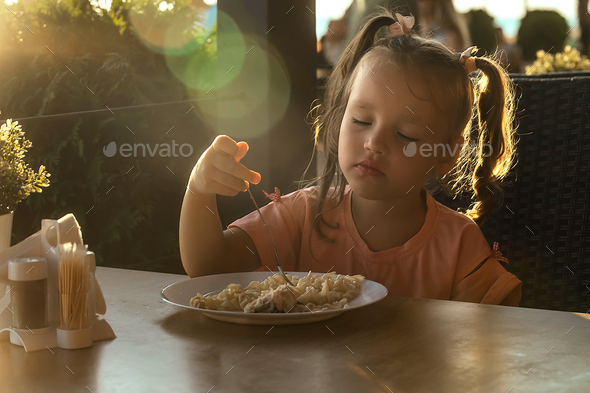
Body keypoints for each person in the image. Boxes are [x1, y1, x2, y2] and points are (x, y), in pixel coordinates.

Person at [179, 9, 522, 306]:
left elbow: (493, 332)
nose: (374, 143)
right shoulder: (303, 217)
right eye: (361, 120)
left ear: (446, 153)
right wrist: (199, 188)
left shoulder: (457, 245)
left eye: (405, 135)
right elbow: (209, 267)